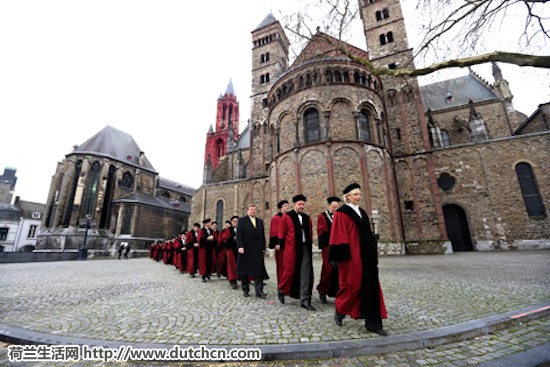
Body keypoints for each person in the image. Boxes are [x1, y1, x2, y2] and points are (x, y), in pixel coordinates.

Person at [329, 183, 388, 336]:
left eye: (359, 194)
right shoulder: (341, 213)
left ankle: (373, 323)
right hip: (352, 257)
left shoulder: (362, 212)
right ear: (347, 197)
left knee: (371, 286)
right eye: (355, 194)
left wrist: (372, 238)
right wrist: (339, 256)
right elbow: (338, 234)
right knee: (352, 285)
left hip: (367, 256)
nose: (358, 197)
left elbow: (365, 233)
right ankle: (340, 309)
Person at [277, 194, 315, 311]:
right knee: (289, 271)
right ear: (294, 204)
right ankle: (282, 289)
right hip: (291, 250)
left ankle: (305, 300)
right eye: (299, 204)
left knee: (306, 273)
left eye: (303, 204)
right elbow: (282, 233)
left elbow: (310, 234)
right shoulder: (287, 217)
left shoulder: (307, 218)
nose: (301, 206)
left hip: (305, 248)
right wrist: (281, 247)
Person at [236, 204, 267, 298]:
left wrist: (263, 248)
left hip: (257, 249)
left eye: (254, 209)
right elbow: (239, 235)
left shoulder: (260, 221)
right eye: (251, 209)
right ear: (248, 210)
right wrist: (240, 246)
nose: (253, 211)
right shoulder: (242, 221)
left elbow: (262, 236)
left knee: (259, 270)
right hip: (245, 249)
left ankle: (259, 291)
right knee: (245, 270)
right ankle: (245, 290)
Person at [316, 196, 341, 304]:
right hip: (328, 247)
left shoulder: (340, 216)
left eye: (337, 207)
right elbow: (321, 231)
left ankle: (337, 292)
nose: (335, 208)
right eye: (333, 206)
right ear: (329, 206)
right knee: (328, 269)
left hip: (339, 246)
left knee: (339, 269)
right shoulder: (322, 216)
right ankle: (322, 290)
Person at [269, 200, 289, 288]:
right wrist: (276, 243)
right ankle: (281, 285)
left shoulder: (289, 217)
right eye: (285, 206)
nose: (287, 207)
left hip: (289, 245)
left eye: (288, 205)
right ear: (281, 208)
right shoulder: (276, 218)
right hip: (280, 245)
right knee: (281, 266)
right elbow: (274, 231)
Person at [224, 216, 240, 289]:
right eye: (234, 221)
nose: (235, 222)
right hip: (231, 249)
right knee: (231, 265)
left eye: (237, 221)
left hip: (239, 249)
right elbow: (225, 240)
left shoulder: (241, 229)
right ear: (232, 222)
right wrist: (233, 239)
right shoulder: (228, 230)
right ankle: (232, 280)